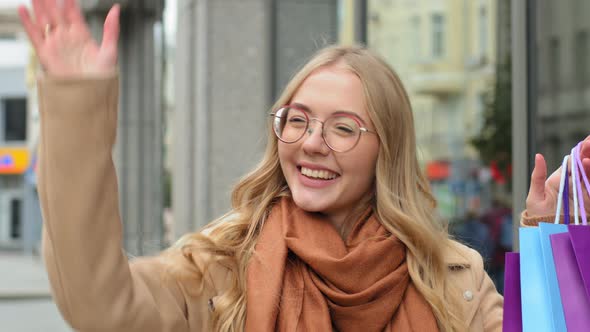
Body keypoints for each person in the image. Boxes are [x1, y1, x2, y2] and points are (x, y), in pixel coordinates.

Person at [17, 1, 590, 331]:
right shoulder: (220, 266)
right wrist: (77, 106)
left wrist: (549, 239)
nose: (312, 142)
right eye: (297, 120)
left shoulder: (451, 277)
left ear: (386, 152)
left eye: (343, 128)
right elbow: (97, 301)